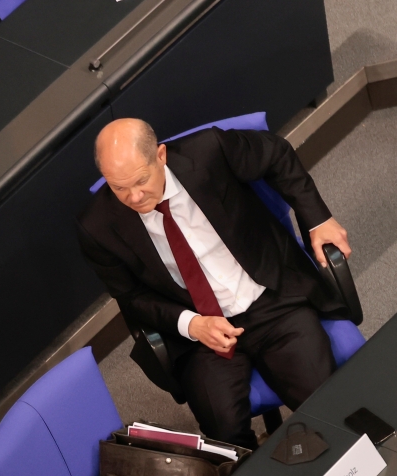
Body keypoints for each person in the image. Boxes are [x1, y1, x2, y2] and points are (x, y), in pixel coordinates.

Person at [75, 118, 351, 449]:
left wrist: (318, 219)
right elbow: (132, 298)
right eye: (119, 188)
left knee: (324, 402)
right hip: (200, 332)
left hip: (269, 300)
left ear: (160, 156)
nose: (134, 197)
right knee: (224, 435)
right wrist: (193, 325)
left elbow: (276, 152)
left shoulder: (209, 151)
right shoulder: (96, 227)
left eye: (141, 181)